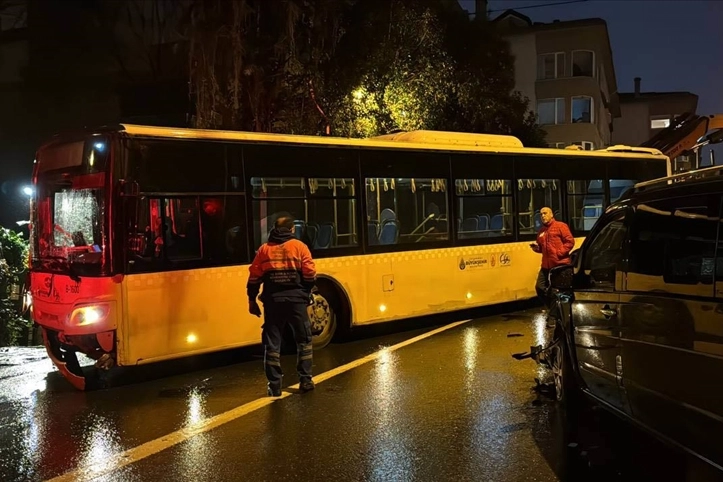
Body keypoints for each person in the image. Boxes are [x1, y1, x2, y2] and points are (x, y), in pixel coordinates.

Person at [247, 212, 317, 397]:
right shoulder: (299, 247)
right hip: (296, 302)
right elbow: (310, 273)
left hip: (273, 302)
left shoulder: (264, 250)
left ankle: (274, 385)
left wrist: (252, 300)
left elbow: (254, 278)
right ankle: (305, 380)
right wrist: (306, 291)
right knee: (303, 340)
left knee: (272, 343)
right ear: (292, 229)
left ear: (275, 229)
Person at [529, 207, 574, 311]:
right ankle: (553, 309)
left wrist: (559, 253)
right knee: (539, 287)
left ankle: (553, 316)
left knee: (555, 291)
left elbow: (570, 242)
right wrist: (536, 248)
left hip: (559, 265)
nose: (543, 216)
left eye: (545, 213)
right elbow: (542, 249)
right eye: (541, 214)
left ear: (551, 214)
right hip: (546, 265)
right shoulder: (541, 231)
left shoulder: (561, 226)